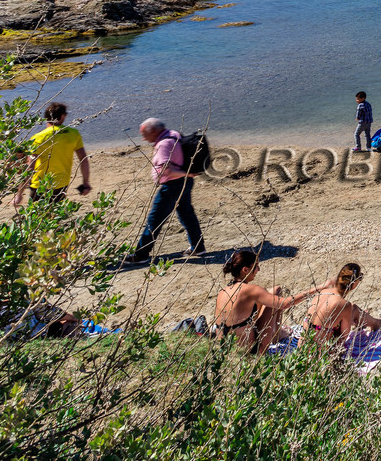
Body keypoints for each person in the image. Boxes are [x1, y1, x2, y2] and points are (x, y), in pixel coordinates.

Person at [214, 250, 331, 354]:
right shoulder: (250, 290)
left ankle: (278, 333)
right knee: (276, 294)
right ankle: (277, 335)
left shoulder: (222, 292)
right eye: (256, 266)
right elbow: (285, 303)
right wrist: (320, 287)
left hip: (226, 352)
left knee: (272, 292)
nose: (258, 270)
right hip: (250, 353)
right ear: (245, 270)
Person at [128, 119, 203, 265]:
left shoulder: (164, 144)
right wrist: (188, 175)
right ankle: (198, 247)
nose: (144, 139)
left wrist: (187, 173)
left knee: (155, 220)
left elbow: (167, 170)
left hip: (172, 186)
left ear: (153, 131)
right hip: (185, 183)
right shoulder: (174, 134)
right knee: (187, 214)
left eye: (144, 135)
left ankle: (141, 255)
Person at [13, 102, 91, 205]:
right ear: (62, 116)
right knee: (55, 213)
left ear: (46, 117)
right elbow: (83, 160)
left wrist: (19, 194)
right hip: (61, 184)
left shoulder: (38, 138)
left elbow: (30, 167)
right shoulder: (73, 134)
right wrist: (86, 182)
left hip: (40, 185)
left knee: (37, 214)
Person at [307, 262, 381, 346]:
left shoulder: (323, 292)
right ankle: (376, 323)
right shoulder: (344, 305)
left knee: (351, 310)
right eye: (360, 277)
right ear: (354, 284)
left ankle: (370, 322)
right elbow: (344, 337)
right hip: (322, 351)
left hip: (304, 347)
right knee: (353, 310)